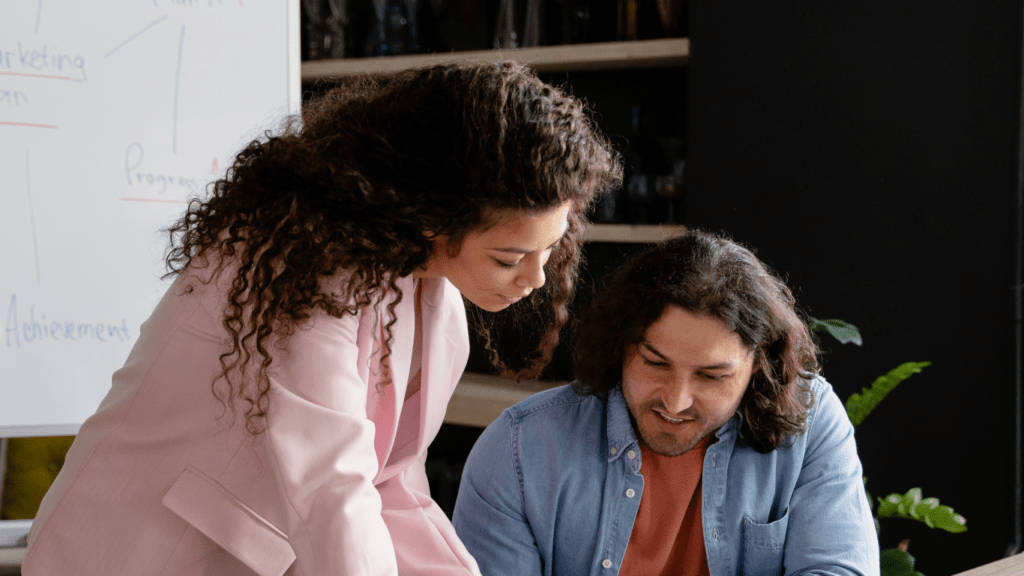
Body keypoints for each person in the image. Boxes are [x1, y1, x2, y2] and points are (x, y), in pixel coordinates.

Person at [22, 61, 620, 576]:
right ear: (435, 217)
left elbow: (393, 483)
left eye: (552, 250)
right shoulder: (301, 271)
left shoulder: (427, 288)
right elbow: (332, 483)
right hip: (134, 546)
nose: (537, 279)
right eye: (511, 257)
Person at [453, 230, 880, 576]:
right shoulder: (517, 450)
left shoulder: (809, 420)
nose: (675, 401)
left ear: (758, 367)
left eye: (712, 376)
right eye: (655, 364)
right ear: (621, 346)